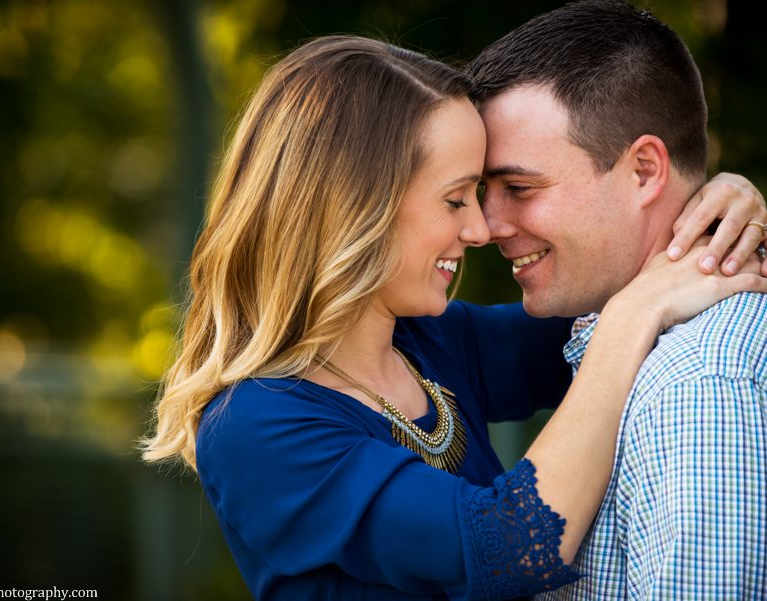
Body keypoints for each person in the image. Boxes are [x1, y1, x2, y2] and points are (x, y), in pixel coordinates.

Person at [141, 35, 767, 600]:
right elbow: (507, 548)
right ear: (355, 210)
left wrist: (718, 214)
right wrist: (633, 316)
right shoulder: (259, 424)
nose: (479, 229)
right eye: (455, 198)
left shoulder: (427, 341)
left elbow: (613, 279)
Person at [465, 1, 767, 598]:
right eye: (479, 191)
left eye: (519, 188)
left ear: (645, 171)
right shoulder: (614, 337)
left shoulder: (697, 388)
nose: (485, 226)